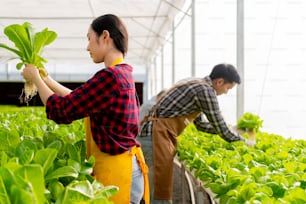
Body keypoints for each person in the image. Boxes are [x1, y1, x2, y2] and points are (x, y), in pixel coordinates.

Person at [22, 14, 149, 204]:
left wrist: (36, 80)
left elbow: (62, 109)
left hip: (118, 172)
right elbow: (78, 99)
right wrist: (47, 80)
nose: (88, 47)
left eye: (89, 39)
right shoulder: (123, 73)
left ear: (105, 37)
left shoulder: (110, 77)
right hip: (128, 165)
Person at [138, 63, 255, 203]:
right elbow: (221, 129)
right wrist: (244, 141)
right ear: (219, 81)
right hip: (155, 136)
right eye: (228, 88)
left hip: (154, 134)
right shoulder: (206, 91)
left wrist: (231, 130)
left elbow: (201, 125)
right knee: (159, 188)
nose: (226, 92)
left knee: (156, 186)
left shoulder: (195, 83)